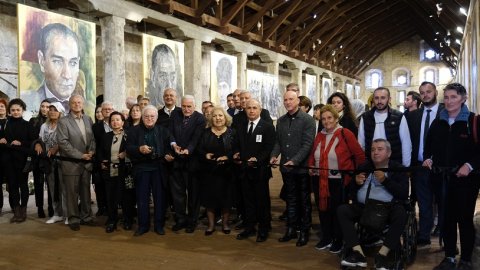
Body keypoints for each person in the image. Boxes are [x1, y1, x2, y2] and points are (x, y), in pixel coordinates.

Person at [423, 83, 480, 270]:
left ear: (463, 98)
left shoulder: (473, 121)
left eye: (453, 97)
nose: (449, 101)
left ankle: (465, 259)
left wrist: (469, 165)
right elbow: (429, 146)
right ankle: (449, 257)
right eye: (446, 97)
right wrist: (428, 159)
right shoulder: (438, 122)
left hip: (466, 182)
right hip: (442, 180)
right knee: (446, 220)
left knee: (464, 220)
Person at [338, 139, 409, 269]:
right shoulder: (364, 167)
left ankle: (382, 255)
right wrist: (355, 182)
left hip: (387, 209)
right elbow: (351, 192)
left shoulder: (398, 169)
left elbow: (403, 194)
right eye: (372, 149)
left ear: (389, 153)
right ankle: (358, 253)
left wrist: (385, 180)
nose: (375, 152)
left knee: (401, 214)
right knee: (342, 210)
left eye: (380, 149)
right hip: (364, 207)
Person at [308, 105, 365, 253]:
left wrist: (356, 174)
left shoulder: (345, 133)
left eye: (329, 118)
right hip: (320, 179)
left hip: (339, 181)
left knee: (337, 211)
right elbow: (313, 154)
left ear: (336, 118)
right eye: (323, 119)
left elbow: (359, 155)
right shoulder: (319, 135)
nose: (326, 121)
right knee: (323, 210)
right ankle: (327, 237)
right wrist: (311, 166)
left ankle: (338, 240)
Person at [270, 90, 315, 247]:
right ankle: (290, 229)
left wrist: (295, 160)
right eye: (285, 100)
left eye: (291, 99)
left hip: (301, 168)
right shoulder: (281, 121)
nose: (288, 102)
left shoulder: (308, 120)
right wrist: (274, 155)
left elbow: (308, 144)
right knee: (290, 200)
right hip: (286, 169)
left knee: (304, 201)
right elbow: (277, 142)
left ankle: (304, 231)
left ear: (298, 101)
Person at [126, 105, 174, 236]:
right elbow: (128, 148)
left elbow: (168, 147)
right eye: (146, 116)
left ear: (157, 118)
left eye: (152, 116)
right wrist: (139, 149)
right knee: (142, 198)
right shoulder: (133, 131)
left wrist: (168, 155)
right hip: (141, 168)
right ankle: (143, 226)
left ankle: (159, 225)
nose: (149, 118)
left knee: (160, 199)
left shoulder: (163, 131)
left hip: (159, 168)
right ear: (142, 117)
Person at [407, 81, 444, 247]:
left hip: (441, 167)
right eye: (422, 92)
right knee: (423, 202)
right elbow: (409, 142)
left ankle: (445, 234)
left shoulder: (445, 112)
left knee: (443, 202)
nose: (425, 95)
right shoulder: (414, 115)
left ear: (435, 92)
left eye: (428, 91)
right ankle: (424, 234)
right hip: (420, 166)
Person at [234, 99, 275, 242]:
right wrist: (237, 153)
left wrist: (257, 159)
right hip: (244, 170)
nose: (251, 110)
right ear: (245, 109)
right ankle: (249, 227)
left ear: (260, 109)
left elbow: (268, 148)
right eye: (249, 108)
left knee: (262, 202)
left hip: (260, 171)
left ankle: (263, 229)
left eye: (254, 108)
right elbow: (237, 144)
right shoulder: (241, 125)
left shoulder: (267, 127)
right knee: (247, 201)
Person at [21, 23, 83, 114]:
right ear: (42, 60)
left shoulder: (89, 108)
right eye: (58, 62)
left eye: (73, 63)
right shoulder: (27, 102)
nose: (67, 75)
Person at [56, 95, 96, 231]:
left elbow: (93, 139)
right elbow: (63, 142)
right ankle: (73, 218)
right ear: (69, 105)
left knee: (86, 192)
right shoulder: (63, 121)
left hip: (87, 162)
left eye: (79, 102)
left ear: (83, 104)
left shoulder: (88, 119)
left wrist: (91, 151)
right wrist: (80, 155)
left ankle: (87, 216)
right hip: (71, 163)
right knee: (72, 193)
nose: (77, 104)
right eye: (74, 102)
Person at [169, 95, 206, 233]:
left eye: (189, 106)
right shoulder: (175, 114)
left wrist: (187, 150)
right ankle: (181, 219)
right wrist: (173, 145)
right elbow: (170, 132)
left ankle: (192, 221)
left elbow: (196, 138)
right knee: (178, 194)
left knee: (193, 194)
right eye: (184, 106)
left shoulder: (200, 118)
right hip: (177, 161)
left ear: (194, 106)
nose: (186, 109)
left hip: (193, 162)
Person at [198, 106, 236, 236]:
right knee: (210, 199)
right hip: (209, 171)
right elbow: (199, 149)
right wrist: (205, 155)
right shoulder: (205, 133)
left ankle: (225, 224)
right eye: (214, 116)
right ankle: (211, 225)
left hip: (227, 171)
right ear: (210, 118)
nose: (218, 118)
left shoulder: (232, 133)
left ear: (225, 118)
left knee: (227, 199)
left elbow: (237, 151)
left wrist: (228, 157)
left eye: (220, 115)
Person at [98, 111, 134, 233]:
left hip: (125, 170)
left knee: (126, 197)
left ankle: (127, 220)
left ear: (123, 122)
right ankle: (112, 220)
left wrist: (126, 153)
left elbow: (134, 150)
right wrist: (102, 161)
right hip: (110, 170)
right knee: (111, 197)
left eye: (118, 120)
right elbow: (100, 152)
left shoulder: (129, 135)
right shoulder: (106, 136)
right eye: (112, 120)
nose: (115, 122)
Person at [358, 87, 411, 167]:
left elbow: (406, 143)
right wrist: (362, 165)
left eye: (383, 98)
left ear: (389, 99)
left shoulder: (399, 116)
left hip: (394, 164)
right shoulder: (365, 117)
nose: (379, 101)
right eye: (376, 98)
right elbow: (361, 143)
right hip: (371, 164)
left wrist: (405, 167)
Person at [2, 98, 35, 223]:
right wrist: (2, 140)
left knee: (23, 186)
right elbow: (2, 138)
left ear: (23, 110)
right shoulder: (6, 124)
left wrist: (21, 142)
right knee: (13, 186)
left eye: (18, 110)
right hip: (8, 160)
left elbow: (32, 142)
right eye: (13, 110)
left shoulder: (27, 125)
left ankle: (23, 211)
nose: (15, 112)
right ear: (9, 111)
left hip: (22, 160)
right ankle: (16, 212)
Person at [34, 103, 65, 224]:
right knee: (52, 187)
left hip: (63, 160)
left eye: (55, 110)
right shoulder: (44, 126)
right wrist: (37, 144)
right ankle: (57, 214)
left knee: (64, 188)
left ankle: (67, 214)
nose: (52, 112)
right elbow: (40, 140)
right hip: (49, 161)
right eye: (50, 110)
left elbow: (67, 139)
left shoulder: (64, 124)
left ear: (60, 112)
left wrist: (57, 147)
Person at [29, 99, 52, 218]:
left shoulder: (54, 121)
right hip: (37, 157)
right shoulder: (34, 121)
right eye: (43, 106)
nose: (45, 109)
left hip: (49, 157)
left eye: (48, 107)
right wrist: (36, 143)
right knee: (38, 183)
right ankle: (39, 208)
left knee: (51, 183)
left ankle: (51, 207)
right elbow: (30, 138)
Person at [92, 101, 115, 217]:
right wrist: (100, 160)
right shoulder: (95, 127)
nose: (108, 111)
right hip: (101, 160)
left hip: (116, 160)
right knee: (100, 186)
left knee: (113, 187)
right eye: (105, 109)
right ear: (101, 111)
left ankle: (113, 208)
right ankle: (101, 207)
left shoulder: (119, 123)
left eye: (110, 109)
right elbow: (94, 144)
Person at [0, 98, 8, 215]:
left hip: (9, 156)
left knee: (11, 183)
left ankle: (15, 205)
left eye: (2, 106)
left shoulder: (10, 121)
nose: (0, 108)